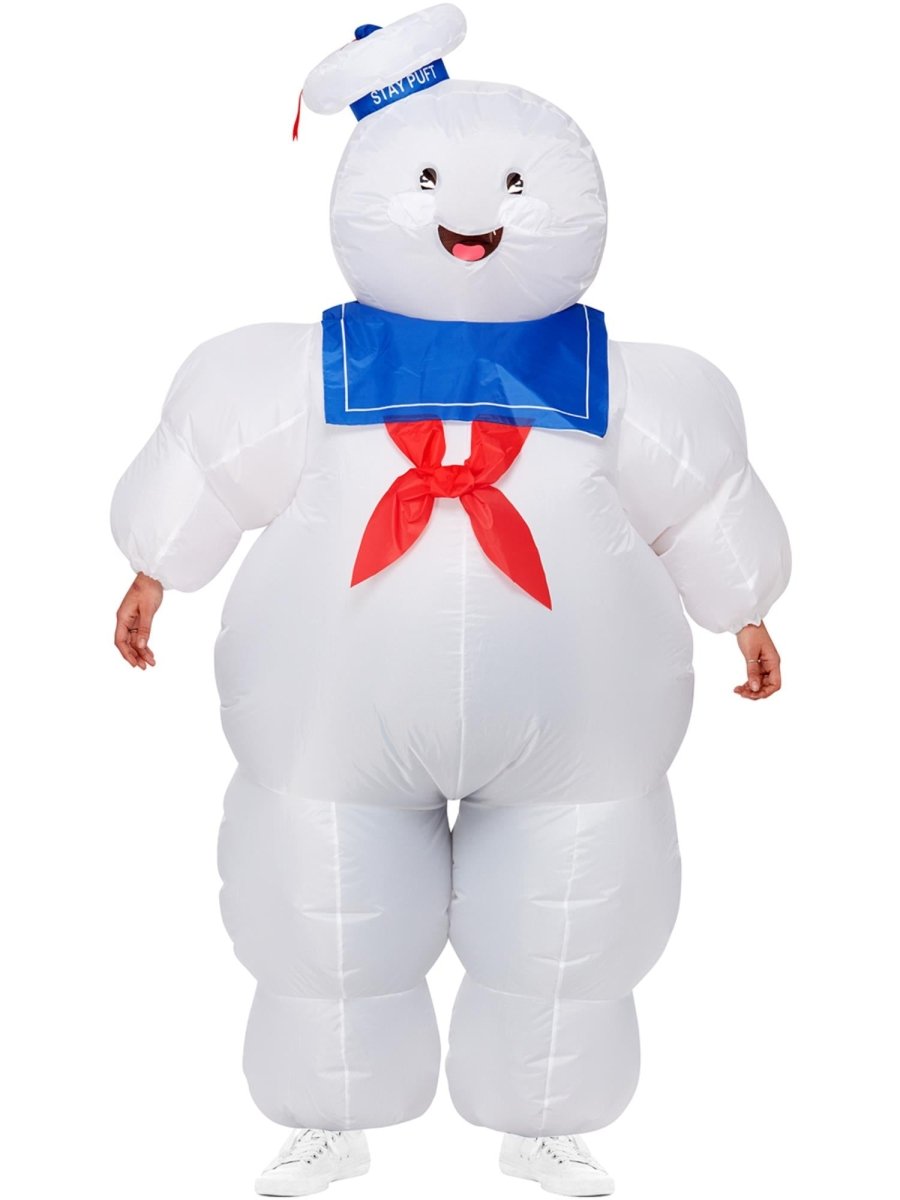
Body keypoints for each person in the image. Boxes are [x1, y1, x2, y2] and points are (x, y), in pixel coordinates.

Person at [111, 6, 790, 1197]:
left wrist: (746, 606)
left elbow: (699, 492)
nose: (473, 218)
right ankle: (331, 1113)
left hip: (578, 726)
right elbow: (210, 458)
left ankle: (545, 1117)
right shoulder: (305, 372)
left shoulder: (617, 380)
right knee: (324, 903)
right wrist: (154, 567)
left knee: (574, 910)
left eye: (516, 189)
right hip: (334, 714)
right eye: (431, 184)